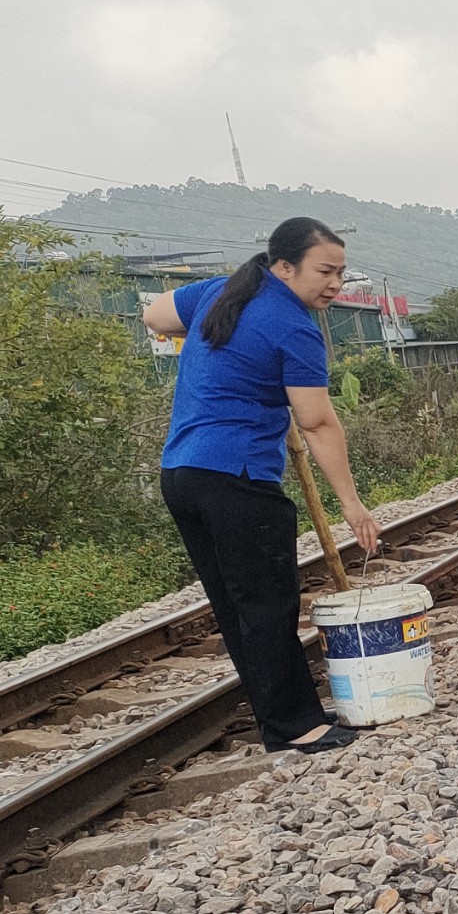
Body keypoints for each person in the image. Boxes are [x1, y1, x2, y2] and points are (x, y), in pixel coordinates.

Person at [140, 218, 381, 756]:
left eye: (341, 273)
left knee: (236, 606)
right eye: (325, 272)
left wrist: (223, 354)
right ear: (285, 266)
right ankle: (296, 726)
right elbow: (317, 423)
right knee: (269, 603)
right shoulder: (292, 326)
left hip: (182, 473)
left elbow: (154, 313)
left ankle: (277, 719)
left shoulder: (219, 293)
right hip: (238, 477)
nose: (335, 285)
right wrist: (351, 503)